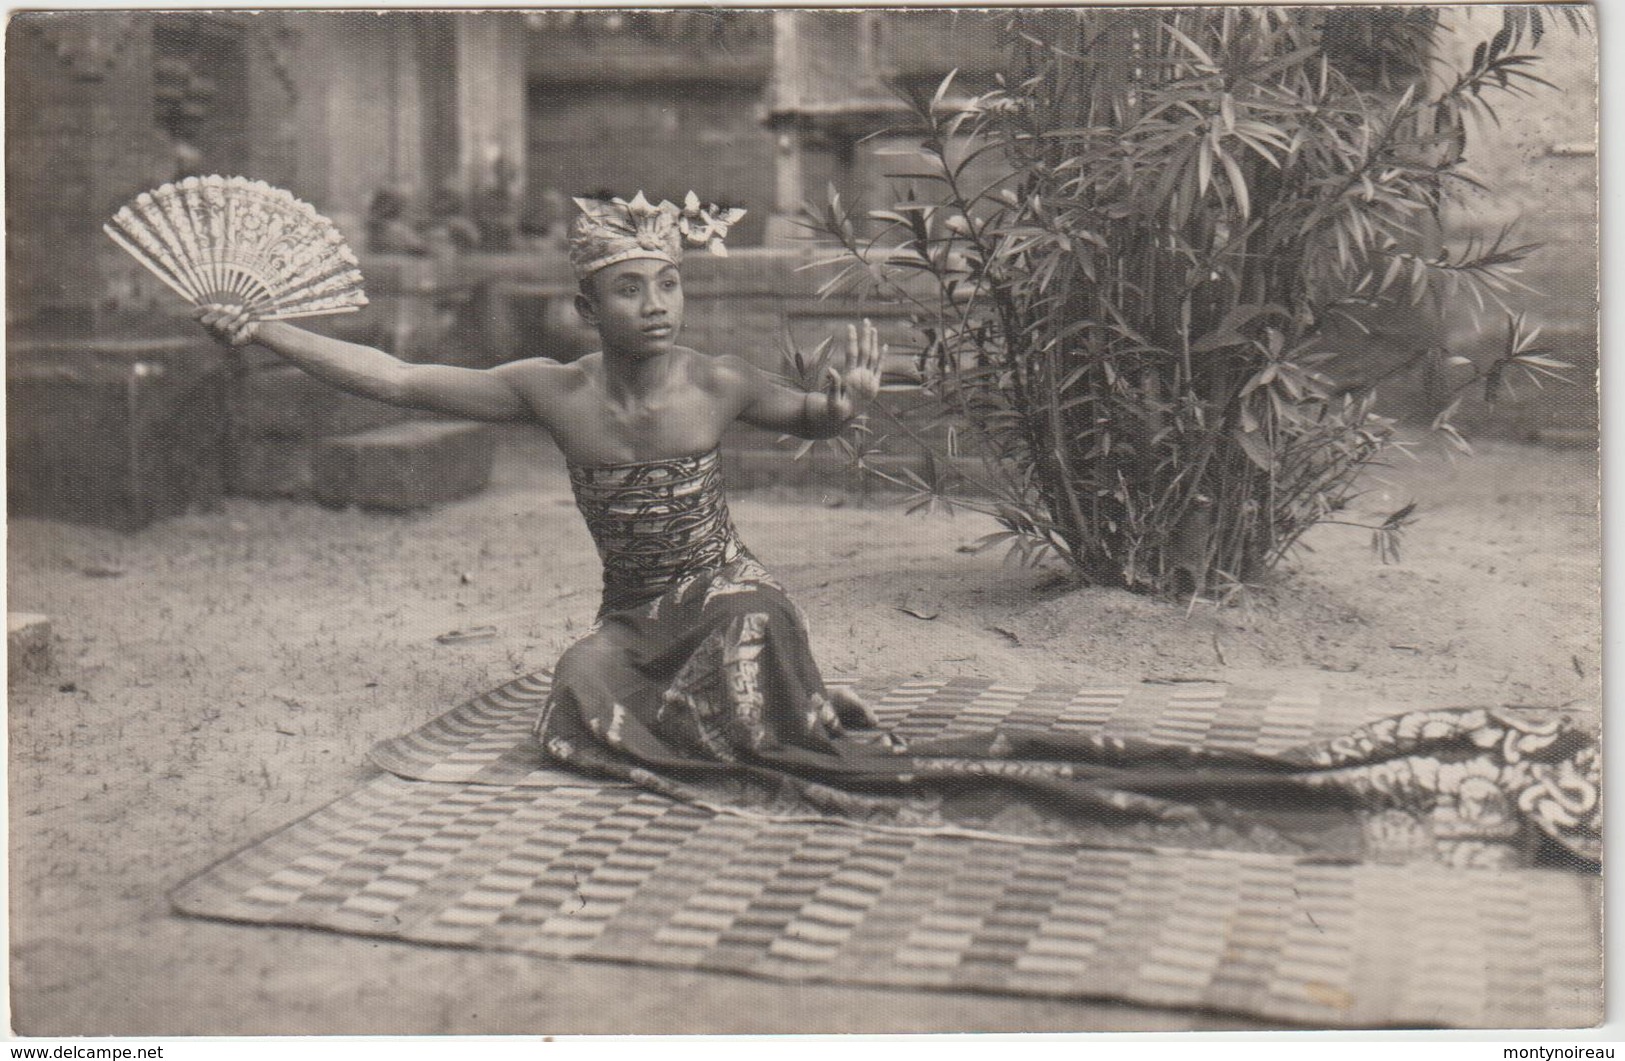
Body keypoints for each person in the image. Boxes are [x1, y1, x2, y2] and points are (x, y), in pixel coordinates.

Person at [197, 192, 1599, 869]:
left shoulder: (718, 378)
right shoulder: (542, 392)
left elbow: (811, 424)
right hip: (638, 617)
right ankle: (688, 713)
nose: (662, 305)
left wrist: (852, 401)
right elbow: (387, 375)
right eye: (633, 290)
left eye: (672, 282)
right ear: (586, 310)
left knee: (748, 623)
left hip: (729, 593)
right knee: (578, 688)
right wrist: (262, 327)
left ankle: (761, 721)